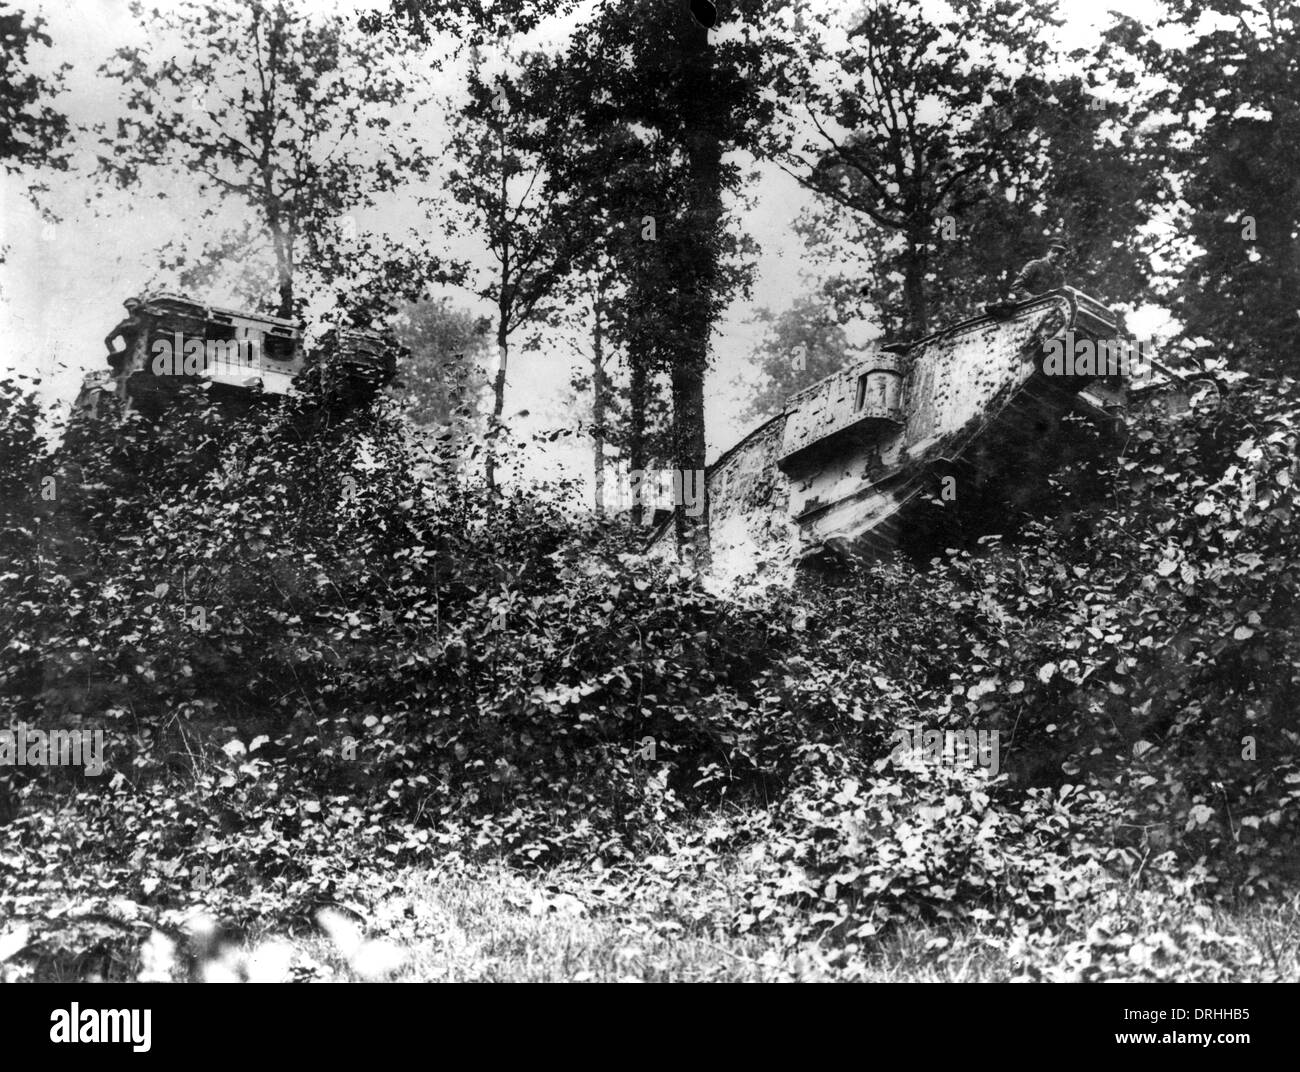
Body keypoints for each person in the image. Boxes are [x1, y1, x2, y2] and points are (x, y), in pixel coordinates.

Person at [104, 297, 145, 369]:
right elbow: (108, 339)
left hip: (147, 349)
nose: (130, 309)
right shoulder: (124, 324)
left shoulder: (147, 320)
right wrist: (113, 352)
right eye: (128, 307)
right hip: (130, 351)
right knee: (112, 359)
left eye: (132, 306)